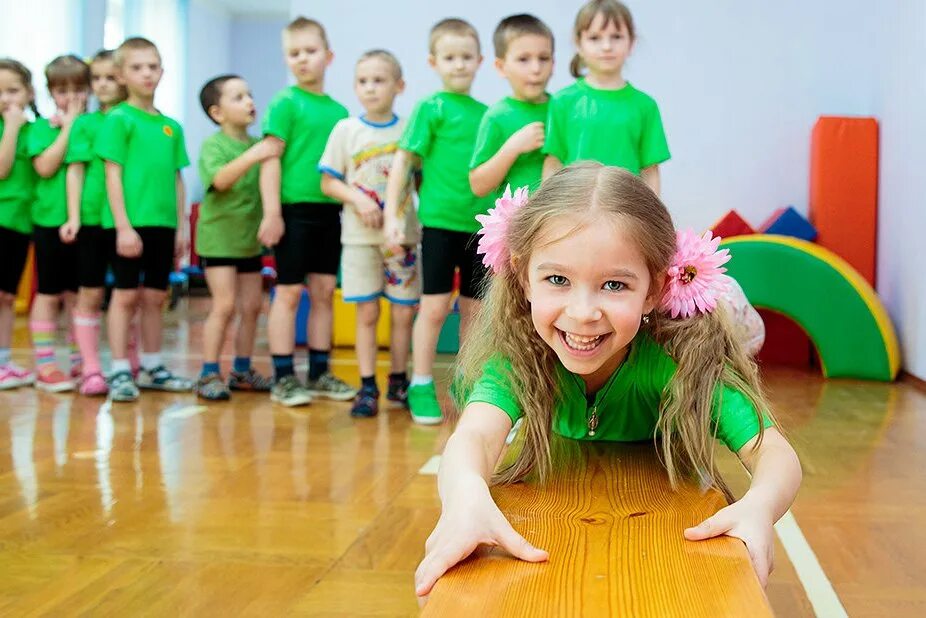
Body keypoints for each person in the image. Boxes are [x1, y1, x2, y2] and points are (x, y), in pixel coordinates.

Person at [414, 163, 802, 597]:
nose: (583, 312)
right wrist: (465, 495)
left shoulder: (681, 361)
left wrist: (761, 506)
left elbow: (774, 452)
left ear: (654, 290)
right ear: (524, 277)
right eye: (557, 279)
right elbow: (475, 437)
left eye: (614, 285)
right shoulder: (521, 355)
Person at [383, 18, 489, 425]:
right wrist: (394, 214)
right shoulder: (430, 108)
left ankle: (468, 383)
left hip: (480, 225)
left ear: (479, 61)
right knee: (433, 307)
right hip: (440, 224)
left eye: (466, 57)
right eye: (449, 57)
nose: (458, 65)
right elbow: (404, 162)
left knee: (476, 312)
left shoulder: (487, 113)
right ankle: (422, 383)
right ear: (434, 62)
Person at [259, 16, 356, 407]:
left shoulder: (339, 112)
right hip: (292, 211)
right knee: (286, 293)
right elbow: (270, 160)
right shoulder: (285, 102)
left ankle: (319, 373)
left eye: (310, 51)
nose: (302, 59)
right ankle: (283, 377)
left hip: (328, 214)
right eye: (294, 53)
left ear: (328, 56)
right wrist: (272, 213)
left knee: (321, 292)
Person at [318, 50, 420, 418]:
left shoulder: (410, 129)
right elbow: (329, 182)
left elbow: (418, 179)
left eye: (379, 80)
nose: (370, 88)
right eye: (363, 81)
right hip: (360, 238)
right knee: (366, 313)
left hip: (403, 238)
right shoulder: (346, 130)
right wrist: (359, 199)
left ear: (399, 86)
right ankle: (366, 386)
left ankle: (398, 379)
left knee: (404, 313)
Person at [96, 37, 193, 402]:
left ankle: (153, 366)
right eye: (137, 67)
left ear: (163, 71)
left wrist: (182, 226)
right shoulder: (119, 120)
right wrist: (123, 226)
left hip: (163, 224)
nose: (147, 73)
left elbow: (177, 178)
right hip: (127, 226)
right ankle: (121, 369)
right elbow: (112, 175)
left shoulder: (171, 127)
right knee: (124, 297)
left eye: (153, 66)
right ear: (121, 75)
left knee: (155, 297)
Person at [193, 74, 280, 401]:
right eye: (238, 97)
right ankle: (208, 372)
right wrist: (256, 154)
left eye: (249, 94)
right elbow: (221, 179)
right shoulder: (214, 145)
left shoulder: (258, 145)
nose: (249, 102)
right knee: (225, 305)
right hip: (219, 239)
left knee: (253, 306)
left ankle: (242, 370)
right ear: (217, 113)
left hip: (248, 240)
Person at [542, 0, 670, 195]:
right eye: (595, 38)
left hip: (625, 209)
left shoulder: (645, 106)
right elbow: (553, 163)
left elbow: (650, 171)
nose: (607, 46)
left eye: (616, 36)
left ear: (631, 42)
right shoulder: (562, 101)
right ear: (579, 43)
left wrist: (653, 221)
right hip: (573, 209)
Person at [63, 49, 127, 396]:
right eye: (96, 78)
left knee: (128, 294)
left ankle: (127, 362)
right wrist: (73, 216)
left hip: (127, 220)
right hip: (91, 220)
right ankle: (90, 367)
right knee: (90, 292)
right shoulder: (86, 125)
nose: (103, 85)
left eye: (110, 77)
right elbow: (75, 172)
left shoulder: (132, 120)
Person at [28, 54, 90, 392]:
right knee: (49, 292)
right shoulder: (41, 128)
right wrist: (67, 127)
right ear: (51, 92)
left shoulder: (95, 125)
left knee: (78, 296)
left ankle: (82, 359)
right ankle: (47, 364)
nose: (72, 97)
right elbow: (45, 167)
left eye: (79, 89)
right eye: (63, 90)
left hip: (88, 222)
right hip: (50, 220)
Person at [469, 13, 554, 199]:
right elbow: (478, 186)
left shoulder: (562, 110)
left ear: (553, 64)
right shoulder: (497, 116)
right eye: (523, 59)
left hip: (559, 220)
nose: (536, 69)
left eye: (544, 58)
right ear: (501, 67)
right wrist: (513, 147)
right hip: (514, 223)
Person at [0, 58, 39, 390]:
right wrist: (11, 126)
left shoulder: (36, 130)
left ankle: (3, 361)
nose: (6, 99)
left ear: (29, 92)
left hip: (20, 225)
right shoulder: (9, 129)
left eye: (13, 91)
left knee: (7, 297)